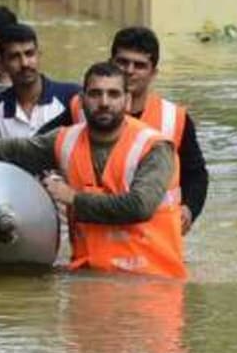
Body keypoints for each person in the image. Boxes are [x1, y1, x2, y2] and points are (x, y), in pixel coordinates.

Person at [0, 61, 186, 280]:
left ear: (128, 101)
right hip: (89, 277)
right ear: (81, 100)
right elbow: (13, 150)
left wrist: (73, 199)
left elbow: (139, 206)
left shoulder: (154, 147)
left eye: (113, 94)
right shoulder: (65, 140)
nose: (104, 102)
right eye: (95, 94)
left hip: (153, 280)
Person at [39, 26, 209, 234]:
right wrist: (52, 183)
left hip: (154, 240)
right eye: (123, 62)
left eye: (139, 65)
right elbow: (40, 147)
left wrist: (190, 209)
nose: (129, 70)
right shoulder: (81, 108)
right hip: (94, 235)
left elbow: (196, 174)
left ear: (153, 73)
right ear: (111, 63)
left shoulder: (174, 118)